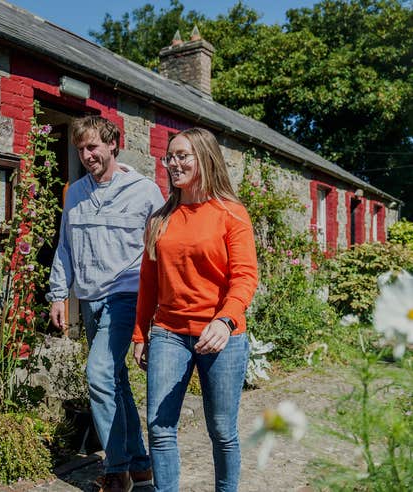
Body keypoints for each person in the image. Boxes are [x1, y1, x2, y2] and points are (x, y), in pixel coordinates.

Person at [132, 127, 258, 492]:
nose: (173, 163)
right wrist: (140, 333)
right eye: (169, 157)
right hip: (169, 333)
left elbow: (245, 276)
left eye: (182, 156)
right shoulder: (160, 219)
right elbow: (149, 281)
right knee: (159, 428)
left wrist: (225, 319)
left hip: (222, 337)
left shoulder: (231, 213)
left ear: (204, 158)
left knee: (221, 430)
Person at [48, 115, 165, 492]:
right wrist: (58, 293)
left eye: (93, 146)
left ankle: (117, 470)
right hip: (90, 299)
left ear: (113, 144)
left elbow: (163, 248)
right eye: (81, 149)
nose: (87, 155)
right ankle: (141, 464)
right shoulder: (75, 193)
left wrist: (163, 304)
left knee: (98, 373)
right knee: (114, 380)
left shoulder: (144, 191)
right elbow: (65, 246)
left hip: (126, 296)